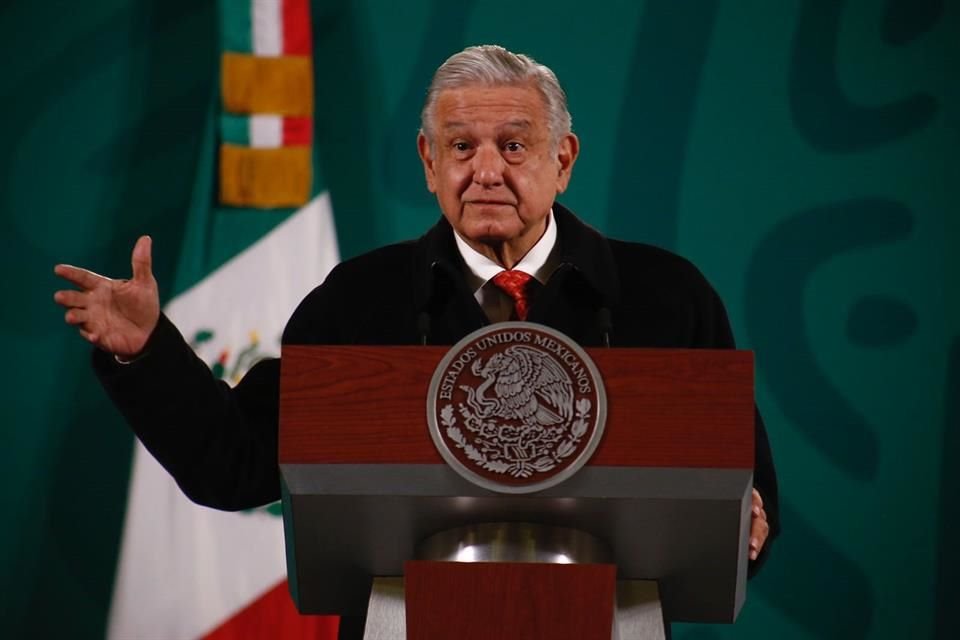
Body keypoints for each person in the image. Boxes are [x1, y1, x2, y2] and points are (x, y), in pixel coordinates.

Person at [55, 43, 778, 619]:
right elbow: (232, 462)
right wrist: (150, 355)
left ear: (563, 161)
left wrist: (740, 514)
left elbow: (745, 492)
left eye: (515, 146)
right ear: (430, 164)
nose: (486, 170)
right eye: (461, 147)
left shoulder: (666, 296)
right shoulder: (360, 301)